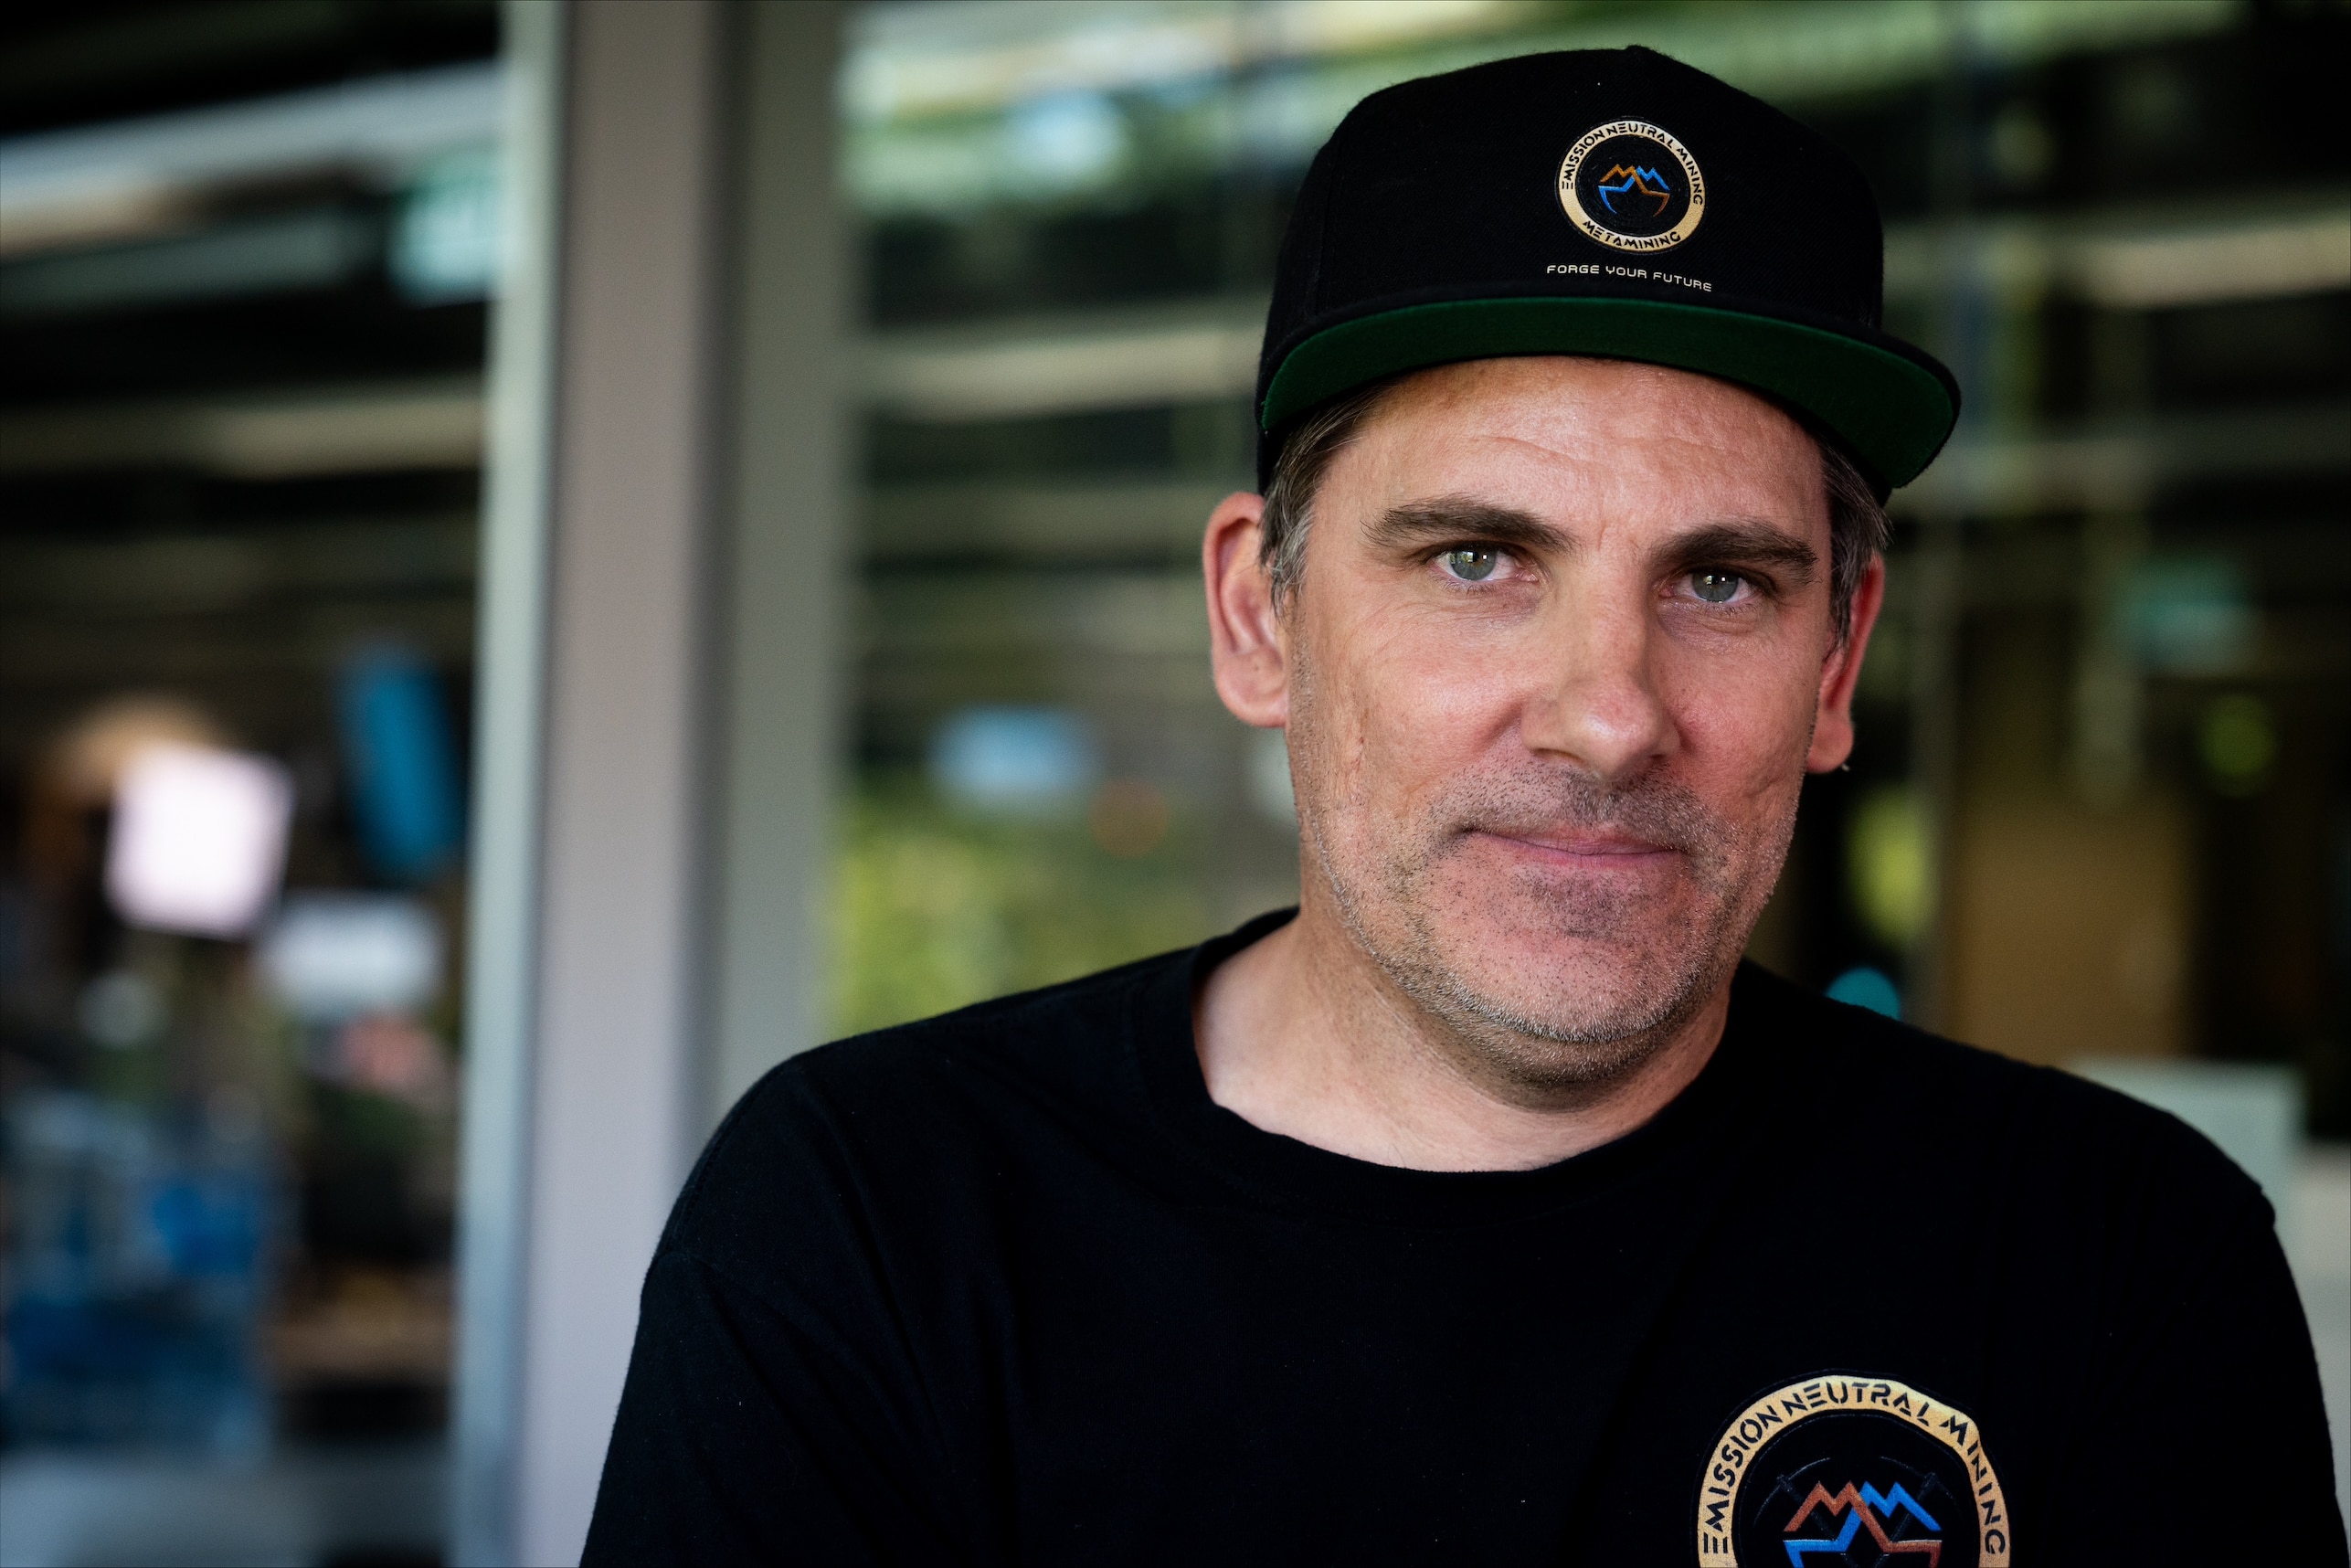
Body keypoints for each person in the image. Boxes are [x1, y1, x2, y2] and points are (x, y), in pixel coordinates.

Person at [585, 47, 2345, 1565]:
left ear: (1835, 662)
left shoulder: (2107, 1260)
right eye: (1479, 559)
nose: (1605, 716)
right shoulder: (884, 1220)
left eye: (1721, 583)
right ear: (1258, 615)